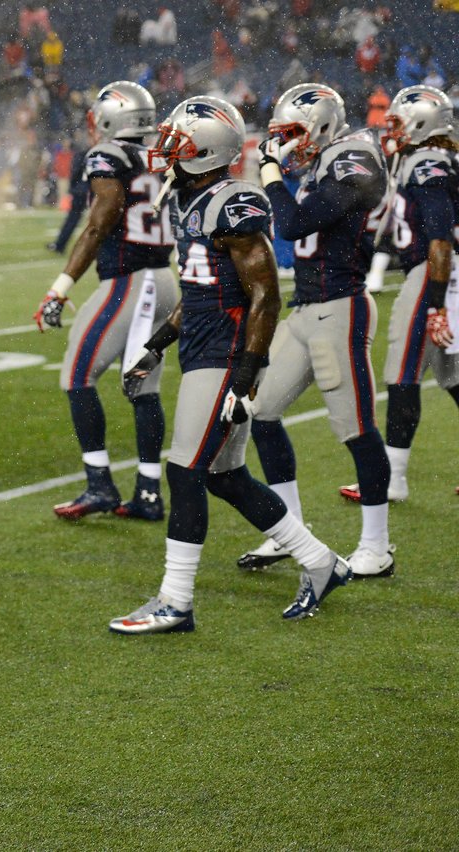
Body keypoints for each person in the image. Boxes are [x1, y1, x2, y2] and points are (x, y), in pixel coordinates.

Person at [109, 97, 350, 634]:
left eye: (177, 141)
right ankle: (319, 561)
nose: (166, 149)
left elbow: (265, 295)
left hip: (226, 355)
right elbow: (199, 289)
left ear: (204, 150)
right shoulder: (192, 199)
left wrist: (245, 375)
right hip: (203, 348)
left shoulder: (233, 202)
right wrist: (156, 344)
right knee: (225, 476)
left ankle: (176, 601)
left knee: (186, 470)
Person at [236, 84, 396, 579]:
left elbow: (296, 224)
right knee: (259, 413)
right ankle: (290, 530)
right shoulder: (326, 159)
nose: (290, 145)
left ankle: (377, 546)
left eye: (296, 134)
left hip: (340, 309)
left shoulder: (355, 156)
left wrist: (269, 173)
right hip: (307, 310)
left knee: (356, 430)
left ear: (325, 126)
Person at [34, 81, 178, 521]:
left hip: (128, 282)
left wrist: (61, 286)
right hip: (164, 277)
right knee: (142, 387)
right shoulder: (158, 155)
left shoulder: (109, 156)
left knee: (78, 376)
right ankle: (149, 492)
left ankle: (100, 484)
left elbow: (99, 222)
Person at [340, 86, 459, 519]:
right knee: (451, 376)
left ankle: (394, 478)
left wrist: (437, 302)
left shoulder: (427, 163)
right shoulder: (424, 158)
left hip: (432, 270)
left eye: (398, 121)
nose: (391, 130)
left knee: (404, 372)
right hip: (441, 269)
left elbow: (440, 236)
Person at [46, 140, 88, 254]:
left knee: (73, 219)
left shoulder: (82, 153)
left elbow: (75, 172)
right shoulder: (96, 151)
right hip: (91, 190)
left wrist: (74, 187)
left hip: (82, 190)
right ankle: (61, 244)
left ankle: (60, 244)